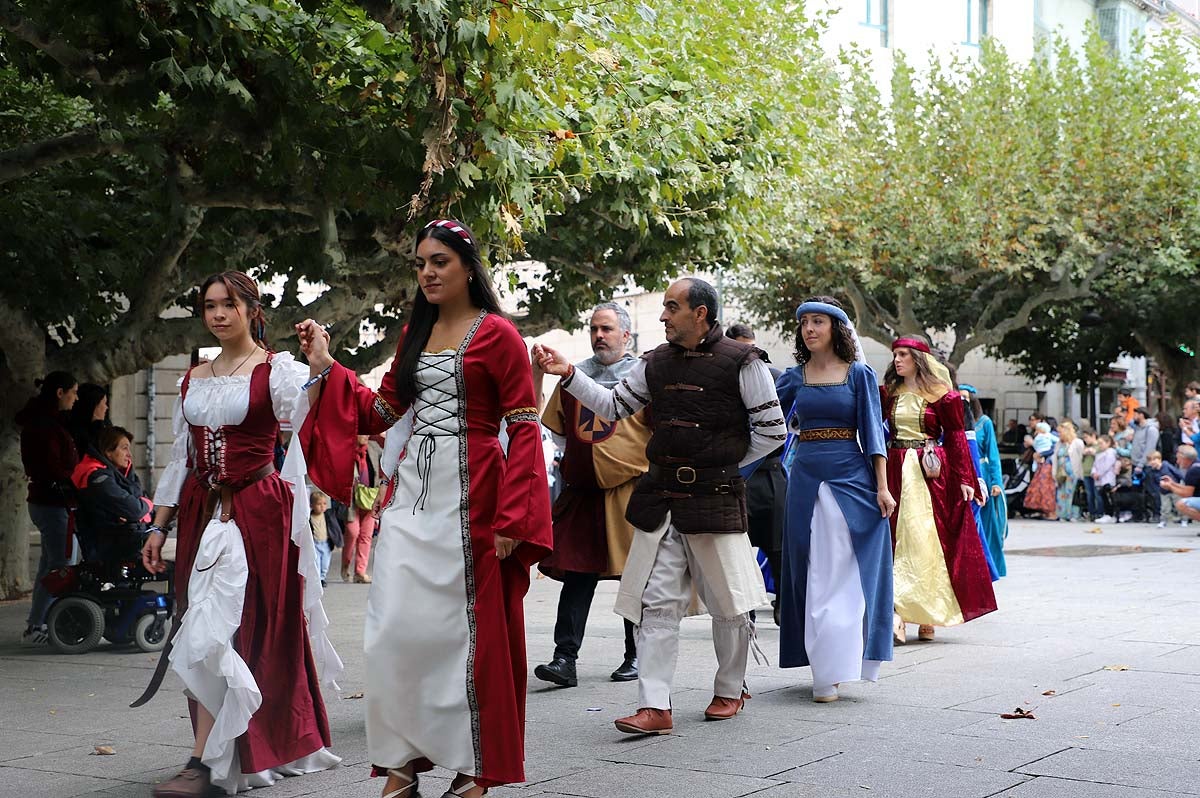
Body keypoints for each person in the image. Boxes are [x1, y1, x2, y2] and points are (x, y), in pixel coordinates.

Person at [298, 218, 553, 798]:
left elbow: (524, 427)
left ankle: (473, 764)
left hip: (478, 499)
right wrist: (327, 366)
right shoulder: (416, 329)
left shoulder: (499, 335)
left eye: (439, 261)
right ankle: (401, 761)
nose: (428, 272)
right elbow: (382, 414)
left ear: (467, 266)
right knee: (393, 628)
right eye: (420, 263)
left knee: (467, 633)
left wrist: (515, 518)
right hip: (412, 495)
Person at [533, 277, 785, 735]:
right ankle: (655, 705)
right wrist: (569, 374)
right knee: (656, 604)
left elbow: (772, 431)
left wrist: (723, 464)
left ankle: (730, 689)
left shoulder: (744, 363)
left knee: (728, 605)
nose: (664, 315)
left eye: (672, 306)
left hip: (716, 497)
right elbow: (611, 406)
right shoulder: (656, 363)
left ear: (701, 313)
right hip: (661, 500)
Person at [140, 271, 341, 797]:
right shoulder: (195, 377)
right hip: (202, 515)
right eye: (209, 305)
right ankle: (206, 758)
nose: (218, 314)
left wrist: (319, 365)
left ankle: (220, 760)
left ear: (253, 309)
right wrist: (158, 526)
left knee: (249, 627)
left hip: (259, 513)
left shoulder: (276, 371)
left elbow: (311, 418)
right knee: (201, 627)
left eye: (229, 304)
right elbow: (182, 458)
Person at [773, 298, 894, 703]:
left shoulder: (859, 374)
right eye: (804, 322)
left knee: (849, 573)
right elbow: (765, 421)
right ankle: (823, 670)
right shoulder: (793, 378)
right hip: (805, 481)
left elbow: (874, 435)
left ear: (836, 328)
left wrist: (883, 487)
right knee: (813, 573)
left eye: (818, 321)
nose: (809, 328)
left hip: (853, 480)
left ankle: (844, 666)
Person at [532, 302, 649, 688]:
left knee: (636, 578)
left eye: (607, 329)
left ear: (625, 335)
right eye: (594, 329)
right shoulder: (574, 376)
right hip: (584, 491)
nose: (599, 336)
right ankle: (564, 659)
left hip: (630, 491)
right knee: (577, 575)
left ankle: (638, 655)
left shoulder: (643, 378)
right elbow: (561, 435)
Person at [883, 337, 996, 644]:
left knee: (927, 542)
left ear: (919, 358)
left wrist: (965, 479)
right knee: (898, 542)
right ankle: (900, 614)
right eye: (895, 354)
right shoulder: (887, 393)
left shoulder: (944, 397)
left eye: (903, 354)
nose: (897, 360)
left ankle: (927, 614)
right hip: (895, 468)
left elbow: (957, 437)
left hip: (929, 474)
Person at [728, 322, 786, 626]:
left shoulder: (774, 377)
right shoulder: (723, 380)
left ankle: (783, 603)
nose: (751, 353)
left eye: (753, 345)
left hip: (772, 470)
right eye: (743, 347)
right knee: (739, 545)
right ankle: (746, 606)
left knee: (777, 543)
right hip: (739, 474)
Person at [16, 371, 79, 644]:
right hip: (52, 501)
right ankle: (41, 624)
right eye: (73, 392)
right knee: (58, 565)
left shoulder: (44, 422)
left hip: (46, 500)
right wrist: (70, 474)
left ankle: (39, 621)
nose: (75, 399)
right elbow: (53, 466)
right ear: (60, 393)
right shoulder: (46, 425)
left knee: (50, 563)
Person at [71, 426, 152, 563]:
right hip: (112, 548)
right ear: (108, 451)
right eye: (124, 448)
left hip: (122, 540)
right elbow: (134, 509)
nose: (129, 455)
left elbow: (134, 503)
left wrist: (137, 508)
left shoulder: (117, 473)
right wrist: (147, 505)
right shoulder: (97, 476)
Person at [961, 386, 1006, 577]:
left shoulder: (984, 422)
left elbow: (993, 453)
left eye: (965, 398)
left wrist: (996, 481)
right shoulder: (957, 421)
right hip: (963, 473)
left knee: (987, 524)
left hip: (983, 474)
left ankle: (992, 566)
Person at [342, 434, 382, 583]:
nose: (366, 436)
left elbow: (388, 457)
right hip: (352, 499)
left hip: (370, 498)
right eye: (362, 433)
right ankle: (345, 565)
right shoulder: (347, 449)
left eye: (367, 434)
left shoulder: (373, 447)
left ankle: (360, 572)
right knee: (353, 533)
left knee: (366, 536)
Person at [1160, 444, 1200, 531]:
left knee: (1181, 504)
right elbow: (1188, 489)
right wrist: (1172, 484)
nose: (1177, 462)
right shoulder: (1196, 465)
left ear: (1185, 459)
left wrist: (1170, 487)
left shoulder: (1193, 471)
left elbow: (1187, 494)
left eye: (1179, 459)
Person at [1023, 422, 1058, 520]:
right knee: (1041, 487)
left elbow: (1054, 446)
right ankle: (1044, 509)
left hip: (1046, 463)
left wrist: (1041, 453)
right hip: (1041, 463)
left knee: (1046, 487)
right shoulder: (1041, 437)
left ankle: (1050, 510)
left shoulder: (1049, 437)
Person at [309, 491, 343, 588]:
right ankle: (318, 579)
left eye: (324, 504)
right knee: (317, 563)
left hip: (326, 544)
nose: (322, 506)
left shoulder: (328, 515)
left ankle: (323, 576)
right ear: (312, 505)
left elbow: (335, 529)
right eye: (319, 504)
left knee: (325, 563)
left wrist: (338, 543)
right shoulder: (309, 518)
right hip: (315, 544)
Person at [68, 383, 110, 456]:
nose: (106, 407)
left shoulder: (106, 426)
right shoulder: (73, 433)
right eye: (104, 403)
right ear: (94, 405)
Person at [1054, 421, 1085, 522]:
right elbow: (1055, 457)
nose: (1059, 435)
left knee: (1072, 492)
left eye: (1061, 432)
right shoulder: (1059, 444)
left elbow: (1081, 456)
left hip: (1072, 471)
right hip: (1061, 471)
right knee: (1061, 493)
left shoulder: (1077, 442)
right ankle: (1062, 514)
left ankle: (1073, 514)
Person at [1091, 434, 1119, 523]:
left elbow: (1107, 465)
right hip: (1099, 479)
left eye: (1101, 443)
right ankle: (1106, 513)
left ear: (1108, 443)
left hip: (1107, 478)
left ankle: (1110, 514)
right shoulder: (1099, 454)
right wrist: (1094, 472)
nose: (1099, 445)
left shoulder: (1111, 453)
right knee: (1103, 497)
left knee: (1108, 498)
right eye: (1098, 444)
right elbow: (1094, 465)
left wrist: (1099, 473)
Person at [1130, 407, 1160, 480]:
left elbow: (1150, 449)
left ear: (1141, 415)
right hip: (1135, 463)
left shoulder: (1151, 429)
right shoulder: (1138, 428)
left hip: (1144, 466)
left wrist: (1141, 465)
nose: (1133, 417)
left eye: (1135, 414)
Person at [1080, 429, 1102, 521]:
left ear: (1093, 436)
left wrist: (1089, 451)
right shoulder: (1085, 447)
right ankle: (1091, 512)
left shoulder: (1099, 445)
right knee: (1089, 494)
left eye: (1086, 437)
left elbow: (1094, 452)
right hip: (1086, 472)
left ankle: (1100, 512)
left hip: (1096, 473)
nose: (1085, 440)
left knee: (1097, 494)